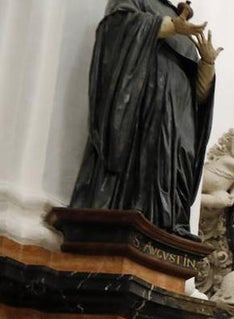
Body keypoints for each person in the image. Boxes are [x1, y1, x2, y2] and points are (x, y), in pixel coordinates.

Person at [70, 1, 221, 238]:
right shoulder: (138, 1)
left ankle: (169, 224)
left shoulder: (184, 22)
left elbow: (199, 97)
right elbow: (117, 27)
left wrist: (207, 64)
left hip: (182, 117)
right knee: (144, 156)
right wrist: (171, 27)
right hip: (146, 103)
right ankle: (136, 214)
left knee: (180, 161)